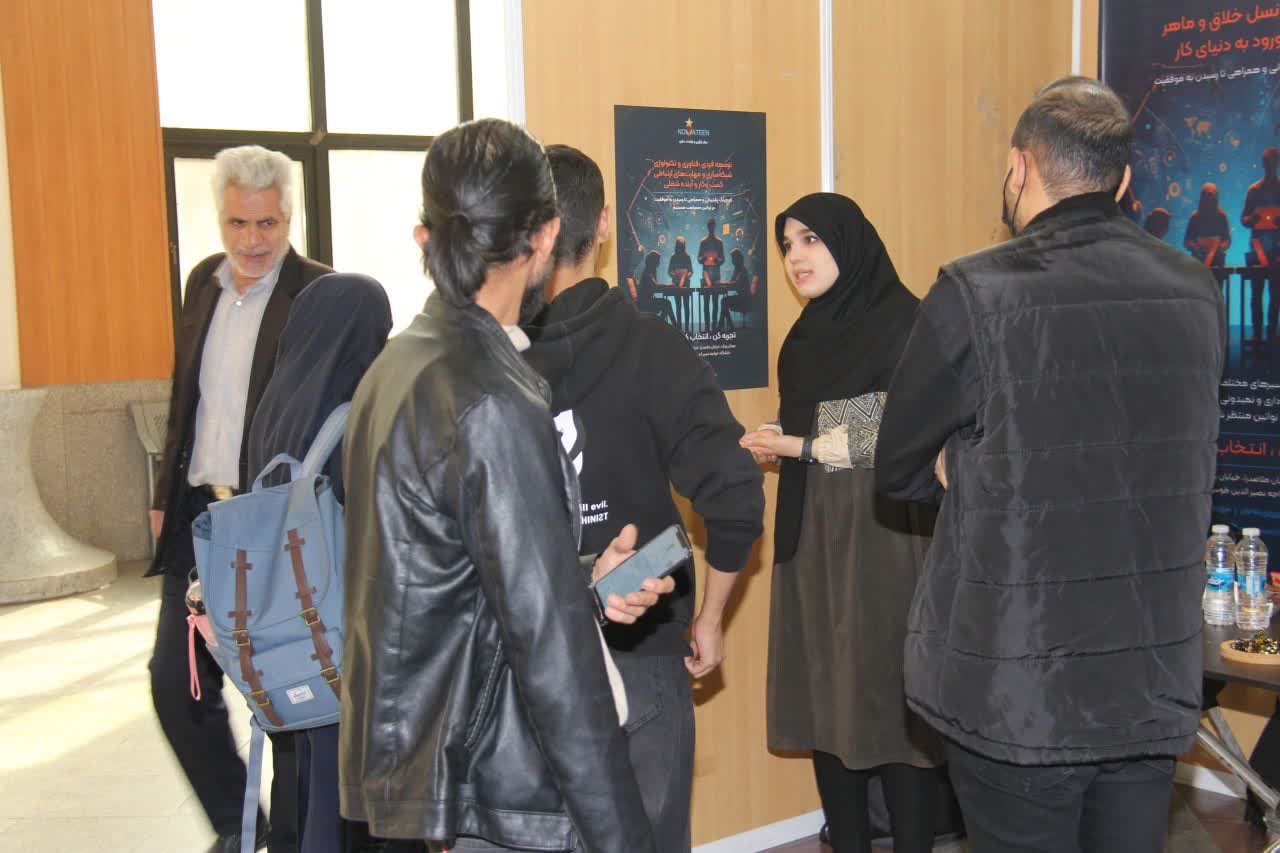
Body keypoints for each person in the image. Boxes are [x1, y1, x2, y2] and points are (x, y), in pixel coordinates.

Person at [876, 77, 1225, 853]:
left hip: (1020, 688)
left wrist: (963, 465)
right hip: (1147, 675)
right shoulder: (1196, 290)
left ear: (1019, 166)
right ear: (1123, 181)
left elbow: (896, 463)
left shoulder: (975, 290)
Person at [338, 118, 674, 853]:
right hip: (496, 780)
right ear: (546, 236)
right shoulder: (491, 399)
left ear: (426, 235)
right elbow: (553, 654)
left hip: (432, 764)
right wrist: (622, 836)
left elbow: (444, 574)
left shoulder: (397, 366)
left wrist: (580, 579)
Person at [523, 144, 766, 852]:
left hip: (529, 650)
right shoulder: (651, 344)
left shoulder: (494, 357)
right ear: (603, 224)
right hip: (641, 644)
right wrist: (711, 618)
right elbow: (735, 495)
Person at [738, 193, 943, 853]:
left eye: (811, 240)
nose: (796, 257)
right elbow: (820, 420)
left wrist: (797, 443)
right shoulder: (804, 338)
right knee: (825, 698)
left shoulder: (906, 320)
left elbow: (901, 428)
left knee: (891, 705)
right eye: (787, 244)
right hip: (811, 531)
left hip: (883, 533)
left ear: (849, 243)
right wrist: (780, 437)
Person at [147, 144, 332, 853]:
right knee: (176, 683)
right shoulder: (203, 283)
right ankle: (237, 822)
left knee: (278, 680)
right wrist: (164, 494)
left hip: (269, 524)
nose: (252, 240)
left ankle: (290, 834)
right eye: (238, 223)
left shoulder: (318, 294)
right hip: (198, 515)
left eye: (267, 223)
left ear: (290, 217)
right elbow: (185, 395)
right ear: (219, 218)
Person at [246, 272, 393, 853]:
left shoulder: (273, 410)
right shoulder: (356, 416)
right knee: (339, 789)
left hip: (282, 641)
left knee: (298, 775)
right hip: (340, 640)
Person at [1243, 147, 1280, 340]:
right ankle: (1258, 332)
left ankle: (1270, 331)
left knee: (1275, 294)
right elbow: (1243, 219)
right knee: (1257, 293)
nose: (1270, 166)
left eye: (1272, 163)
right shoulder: (1254, 190)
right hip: (1257, 249)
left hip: (1276, 250)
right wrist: (1253, 219)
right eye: (1268, 163)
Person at [1185, 183, 1231, 299]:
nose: (1209, 200)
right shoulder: (1195, 217)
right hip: (1199, 262)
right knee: (1199, 295)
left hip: (1216, 262)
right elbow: (1187, 241)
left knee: (1216, 294)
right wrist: (1196, 247)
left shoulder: (1221, 216)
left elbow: (1227, 240)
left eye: (1211, 197)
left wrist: (1219, 247)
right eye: (1207, 196)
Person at [636, 250, 679, 327]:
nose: (659, 262)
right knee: (667, 304)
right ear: (653, 261)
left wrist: (666, 287)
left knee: (666, 304)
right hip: (644, 303)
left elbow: (653, 287)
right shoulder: (648, 271)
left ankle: (661, 325)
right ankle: (665, 326)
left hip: (647, 300)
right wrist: (668, 286)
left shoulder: (650, 270)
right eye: (658, 260)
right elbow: (654, 286)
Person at [698, 218, 726, 328]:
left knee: (714, 302)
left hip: (715, 275)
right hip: (706, 275)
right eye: (710, 225)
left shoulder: (719, 242)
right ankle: (707, 325)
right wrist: (704, 258)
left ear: (714, 226)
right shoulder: (703, 242)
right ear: (708, 226)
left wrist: (717, 260)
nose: (711, 227)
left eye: (712, 225)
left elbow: (723, 259)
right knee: (706, 302)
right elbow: (699, 258)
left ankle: (713, 324)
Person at [717, 247, 753, 331]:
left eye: (733, 258)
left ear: (737, 258)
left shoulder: (742, 269)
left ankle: (725, 326)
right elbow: (732, 282)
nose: (732, 260)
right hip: (741, 297)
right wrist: (725, 284)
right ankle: (725, 325)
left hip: (745, 298)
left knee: (724, 301)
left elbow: (735, 283)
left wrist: (722, 283)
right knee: (724, 301)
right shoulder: (737, 268)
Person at [667, 235, 694, 329]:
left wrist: (685, 276)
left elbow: (691, 271)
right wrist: (675, 275)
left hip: (685, 283)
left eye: (682, 245)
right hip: (676, 283)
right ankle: (679, 326)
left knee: (686, 305)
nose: (680, 247)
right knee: (678, 305)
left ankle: (686, 327)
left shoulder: (687, 256)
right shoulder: (673, 257)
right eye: (679, 245)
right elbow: (669, 271)